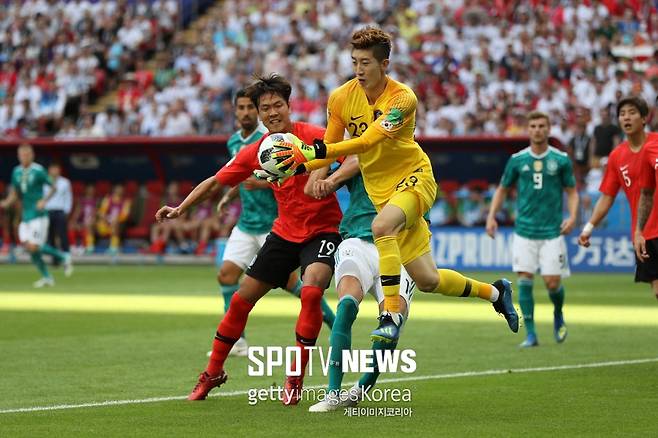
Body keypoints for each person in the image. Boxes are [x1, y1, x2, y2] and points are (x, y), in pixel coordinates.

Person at [273, 26, 518, 343]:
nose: (359, 70)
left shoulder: (403, 99)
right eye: (354, 62)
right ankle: (496, 292)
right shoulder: (341, 97)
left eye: (366, 63)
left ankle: (389, 314)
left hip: (414, 177)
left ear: (384, 64)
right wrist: (300, 169)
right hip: (382, 190)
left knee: (381, 227)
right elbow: (328, 147)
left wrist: (312, 155)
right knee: (428, 279)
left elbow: (366, 142)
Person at [155, 74, 343, 405]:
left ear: (289, 106)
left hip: (323, 229)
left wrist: (326, 175)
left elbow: (350, 156)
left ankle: (295, 377)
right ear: (259, 113)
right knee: (241, 300)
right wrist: (181, 208)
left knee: (311, 290)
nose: (272, 112)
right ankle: (212, 372)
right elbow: (216, 181)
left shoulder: (315, 135)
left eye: (278, 105)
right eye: (265, 108)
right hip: (284, 233)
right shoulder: (256, 151)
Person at [212, 89, 335, 357]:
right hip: (247, 223)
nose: (246, 112)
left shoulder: (273, 139)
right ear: (235, 111)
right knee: (227, 276)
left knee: (297, 286)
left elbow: (284, 175)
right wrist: (229, 195)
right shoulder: (235, 142)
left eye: (249, 107)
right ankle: (238, 341)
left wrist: (262, 182)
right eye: (241, 107)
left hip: (275, 222)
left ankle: (333, 323)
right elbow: (239, 174)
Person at [305, 155, 415, 412]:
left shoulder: (414, 161)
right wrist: (328, 156)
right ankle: (332, 393)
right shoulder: (359, 154)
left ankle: (363, 386)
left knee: (392, 321)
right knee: (346, 304)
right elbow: (312, 189)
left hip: (399, 248)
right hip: (358, 241)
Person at [487, 111, 579, 348]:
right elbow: (502, 189)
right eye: (534, 126)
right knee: (524, 279)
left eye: (542, 126)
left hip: (552, 232)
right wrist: (491, 216)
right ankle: (531, 334)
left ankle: (558, 313)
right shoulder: (518, 160)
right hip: (524, 232)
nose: (538, 130)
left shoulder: (560, 160)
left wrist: (572, 217)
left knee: (552, 283)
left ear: (548, 129)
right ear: (528, 130)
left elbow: (571, 192)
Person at [580, 96, 658, 299]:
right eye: (622, 114)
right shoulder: (617, 156)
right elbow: (607, 196)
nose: (626, 117)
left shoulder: (655, 143)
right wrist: (589, 227)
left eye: (632, 112)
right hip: (644, 232)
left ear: (644, 118)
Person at [0, 143, 73, 286]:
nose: (24, 157)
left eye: (27, 154)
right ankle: (47, 277)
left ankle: (64, 256)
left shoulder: (38, 170)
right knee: (30, 248)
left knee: (34, 246)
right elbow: (15, 193)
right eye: (22, 155)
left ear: (32, 155)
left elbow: (53, 187)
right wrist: (5, 203)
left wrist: (44, 201)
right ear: (18, 156)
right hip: (26, 215)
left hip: (39, 216)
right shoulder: (16, 172)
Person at [44, 162, 72, 262]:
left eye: (56, 169)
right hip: (48, 211)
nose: (54, 171)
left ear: (59, 170)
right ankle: (54, 258)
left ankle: (67, 256)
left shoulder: (65, 182)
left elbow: (68, 197)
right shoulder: (44, 181)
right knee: (50, 235)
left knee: (62, 234)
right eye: (53, 169)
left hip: (60, 211)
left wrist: (67, 211)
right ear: (49, 170)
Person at [96, 184, 131, 254]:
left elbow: (125, 216)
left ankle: (113, 248)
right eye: (117, 190)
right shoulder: (107, 199)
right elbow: (101, 212)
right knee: (91, 224)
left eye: (121, 190)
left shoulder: (126, 201)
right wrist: (106, 218)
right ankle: (89, 247)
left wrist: (115, 220)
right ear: (114, 190)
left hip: (119, 224)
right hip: (106, 222)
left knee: (115, 224)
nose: (119, 191)